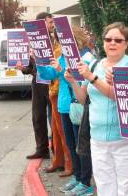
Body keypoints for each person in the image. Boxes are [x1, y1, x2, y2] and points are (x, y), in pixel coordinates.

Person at [65, 22, 128, 196]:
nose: (112, 43)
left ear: (126, 44)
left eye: (118, 40)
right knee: (104, 189)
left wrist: (93, 78)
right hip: (98, 139)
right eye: (108, 39)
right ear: (103, 42)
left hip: (126, 139)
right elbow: (83, 99)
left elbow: (120, 97)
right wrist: (73, 81)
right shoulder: (95, 65)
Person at [37, 26, 95, 195]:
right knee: (71, 144)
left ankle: (85, 182)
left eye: (61, 40)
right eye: (58, 40)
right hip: (64, 105)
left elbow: (83, 79)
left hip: (79, 105)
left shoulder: (86, 56)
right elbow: (49, 75)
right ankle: (77, 177)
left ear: (73, 38)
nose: (59, 43)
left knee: (81, 145)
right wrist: (40, 63)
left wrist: (61, 71)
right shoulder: (63, 55)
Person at [16, 12, 52, 159]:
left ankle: (58, 150)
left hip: (53, 84)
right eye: (50, 22)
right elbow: (32, 67)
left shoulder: (56, 41)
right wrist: (23, 68)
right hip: (38, 84)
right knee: (38, 117)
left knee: (54, 119)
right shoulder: (32, 42)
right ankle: (42, 149)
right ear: (42, 23)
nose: (52, 25)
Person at [43, 28, 73, 176]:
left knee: (63, 131)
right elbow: (48, 73)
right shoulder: (56, 50)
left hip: (61, 94)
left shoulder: (64, 52)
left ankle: (69, 163)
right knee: (56, 131)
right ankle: (59, 160)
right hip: (55, 93)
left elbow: (63, 74)